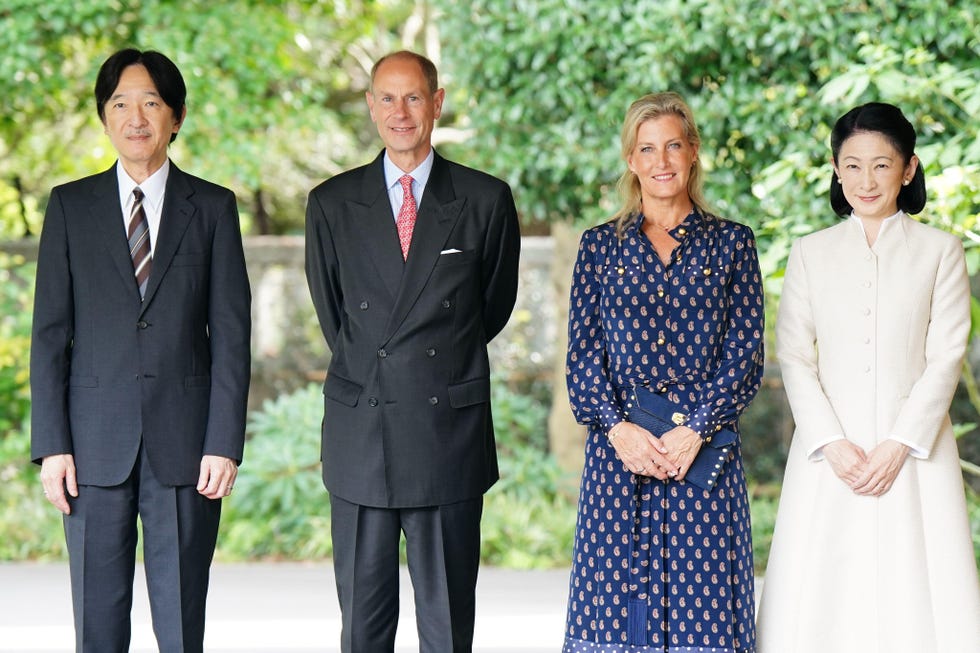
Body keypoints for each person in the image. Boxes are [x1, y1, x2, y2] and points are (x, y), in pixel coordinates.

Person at [30, 49, 251, 652]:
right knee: (97, 625)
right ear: (105, 117)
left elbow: (232, 336)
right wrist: (52, 446)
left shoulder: (212, 208)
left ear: (175, 116)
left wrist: (223, 443)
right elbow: (50, 334)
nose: (136, 117)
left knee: (181, 624)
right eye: (121, 104)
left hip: (186, 450)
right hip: (92, 447)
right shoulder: (70, 207)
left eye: (151, 103)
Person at [304, 50, 520, 652]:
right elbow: (337, 317)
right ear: (371, 106)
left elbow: (491, 308)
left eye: (414, 97)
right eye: (387, 98)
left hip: (446, 433)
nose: (401, 112)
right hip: (361, 438)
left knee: (448, 628)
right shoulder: (331, 203)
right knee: (363, 630)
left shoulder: (484, 199)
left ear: (437, 102)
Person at [756, 102, 980, 651]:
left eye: (881, 165)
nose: (866, 179)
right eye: (851, 165)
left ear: (909, 168)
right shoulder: (811, 252)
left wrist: (901, 443)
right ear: (835, 170)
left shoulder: (940, 251)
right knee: (824, 586)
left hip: (915, 451)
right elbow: (795, 356)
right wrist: (831, 443)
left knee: (919, 585)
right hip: (830, 452)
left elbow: (946, 355)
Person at [562, 91, 764, 653]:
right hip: (619, 456)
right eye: (646, 148)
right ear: (631, 159)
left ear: (694, 151)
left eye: (673, 145)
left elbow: (744, 353)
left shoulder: (731, 244)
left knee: (707, 617)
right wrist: (617, 429)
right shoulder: (600, 248)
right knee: (616, 612)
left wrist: (695, 427)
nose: (661, 160)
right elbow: (583, 358)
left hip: (700, 453)